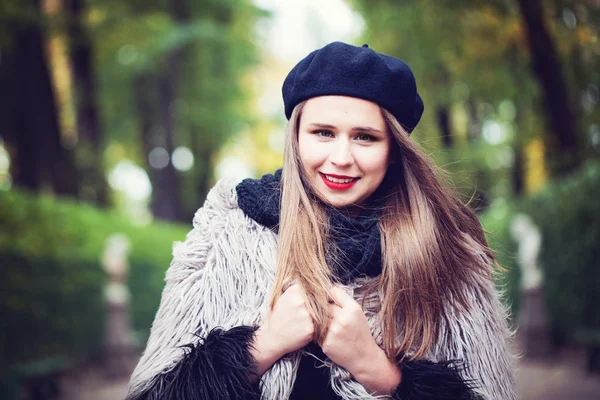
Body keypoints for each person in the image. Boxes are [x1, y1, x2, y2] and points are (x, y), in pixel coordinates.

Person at [125, 42, 516, 400]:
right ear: (296, 139)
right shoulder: (227, 232)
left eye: (365, 137)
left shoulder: (448, 251)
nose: (341, 157)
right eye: (323, 133)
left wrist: (375, 368)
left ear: (394, 150)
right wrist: (262, 346)